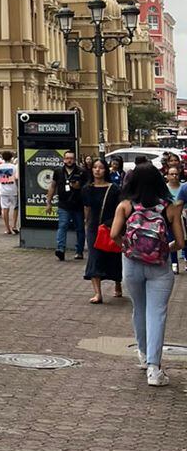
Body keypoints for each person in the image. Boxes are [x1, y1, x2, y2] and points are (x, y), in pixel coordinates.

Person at [110, 161, 184, 386]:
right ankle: (154, 368)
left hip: (131, 264)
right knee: (157, 313)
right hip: (159, 268)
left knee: (139, 310)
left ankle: (142, 354)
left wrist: (130, 248)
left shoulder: (125, 205)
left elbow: (114, 234)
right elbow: (181, 242)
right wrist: (162, 250)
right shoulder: (168, 208)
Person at [82, 156, 124, 303]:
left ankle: (118, 284)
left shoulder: (114, 189)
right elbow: (86, 208)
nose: (97, 170)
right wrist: (86, 223)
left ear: (106, 170)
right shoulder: (87, 189)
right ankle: (98, 293)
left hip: (110, 226)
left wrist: (115, 225)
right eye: (95, 167)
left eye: (100, 168)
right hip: (94, 227)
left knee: (113, 256)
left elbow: (120, 209)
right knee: (94, 257)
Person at [45, 149, 89, 261]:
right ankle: (60, 249)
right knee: (62, 226)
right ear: (64, 159)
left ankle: (79, 251)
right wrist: (48, 202)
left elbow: (87, 188)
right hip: (63, 204)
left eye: (71, 158)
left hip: (78, 205)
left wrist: (79, 188)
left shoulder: (81, 171)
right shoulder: (58, 171)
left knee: (79, 228)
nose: (69, 161)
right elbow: (52, 186)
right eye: (67, 158)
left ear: (75, 160)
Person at [0, 150, 20, 235]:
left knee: (5, 209)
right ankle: (14, 225)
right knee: (16, 208)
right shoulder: (14, 167)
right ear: (11, 158)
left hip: (3, 190)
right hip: (13, 190)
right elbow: (17, 178)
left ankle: (7, 228)